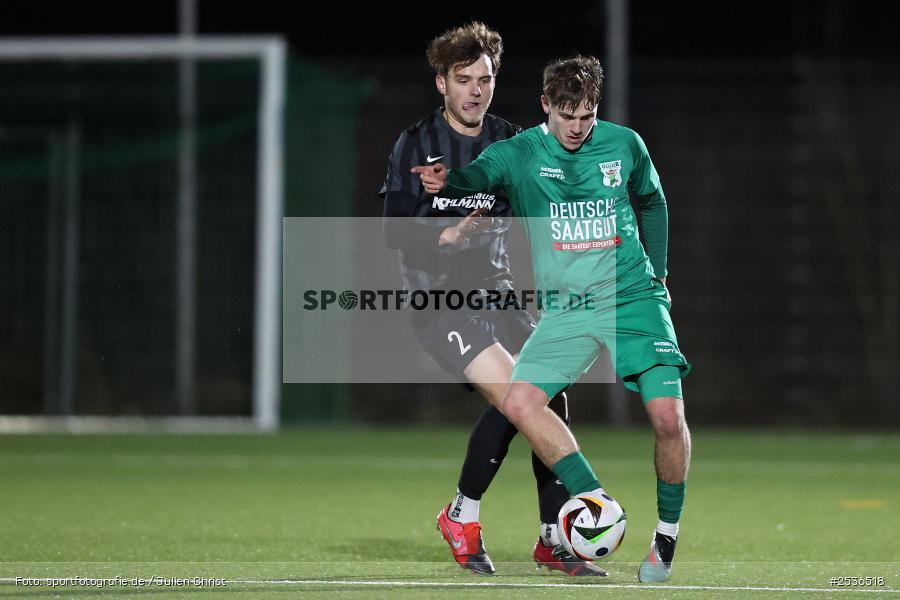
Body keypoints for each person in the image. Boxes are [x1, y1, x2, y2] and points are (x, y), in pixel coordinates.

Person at [413, 55, 692, 583]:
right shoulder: (521, 154)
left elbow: (653, 202)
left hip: (633, 296)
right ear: (546, 106)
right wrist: (446, 182)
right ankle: (591, 501)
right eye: (568, 116)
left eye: (586, 116)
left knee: (666, 418)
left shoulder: (624, 145)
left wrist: (658, 272)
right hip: (569, 309)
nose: (577, 127)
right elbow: (478, 176)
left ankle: (665, 539)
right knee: (521, 401)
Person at [380, 24, 605, 577]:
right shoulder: (415, 144)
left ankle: (553, 536)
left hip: (500, 296)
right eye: (464, 80)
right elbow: (389, 230)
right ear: (442, 84)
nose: (476, 90)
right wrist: (443, 235)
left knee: (548, 394)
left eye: (485, 79)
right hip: (441, 302)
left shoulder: (511, 139)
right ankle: (463, 514)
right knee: (515, 396)